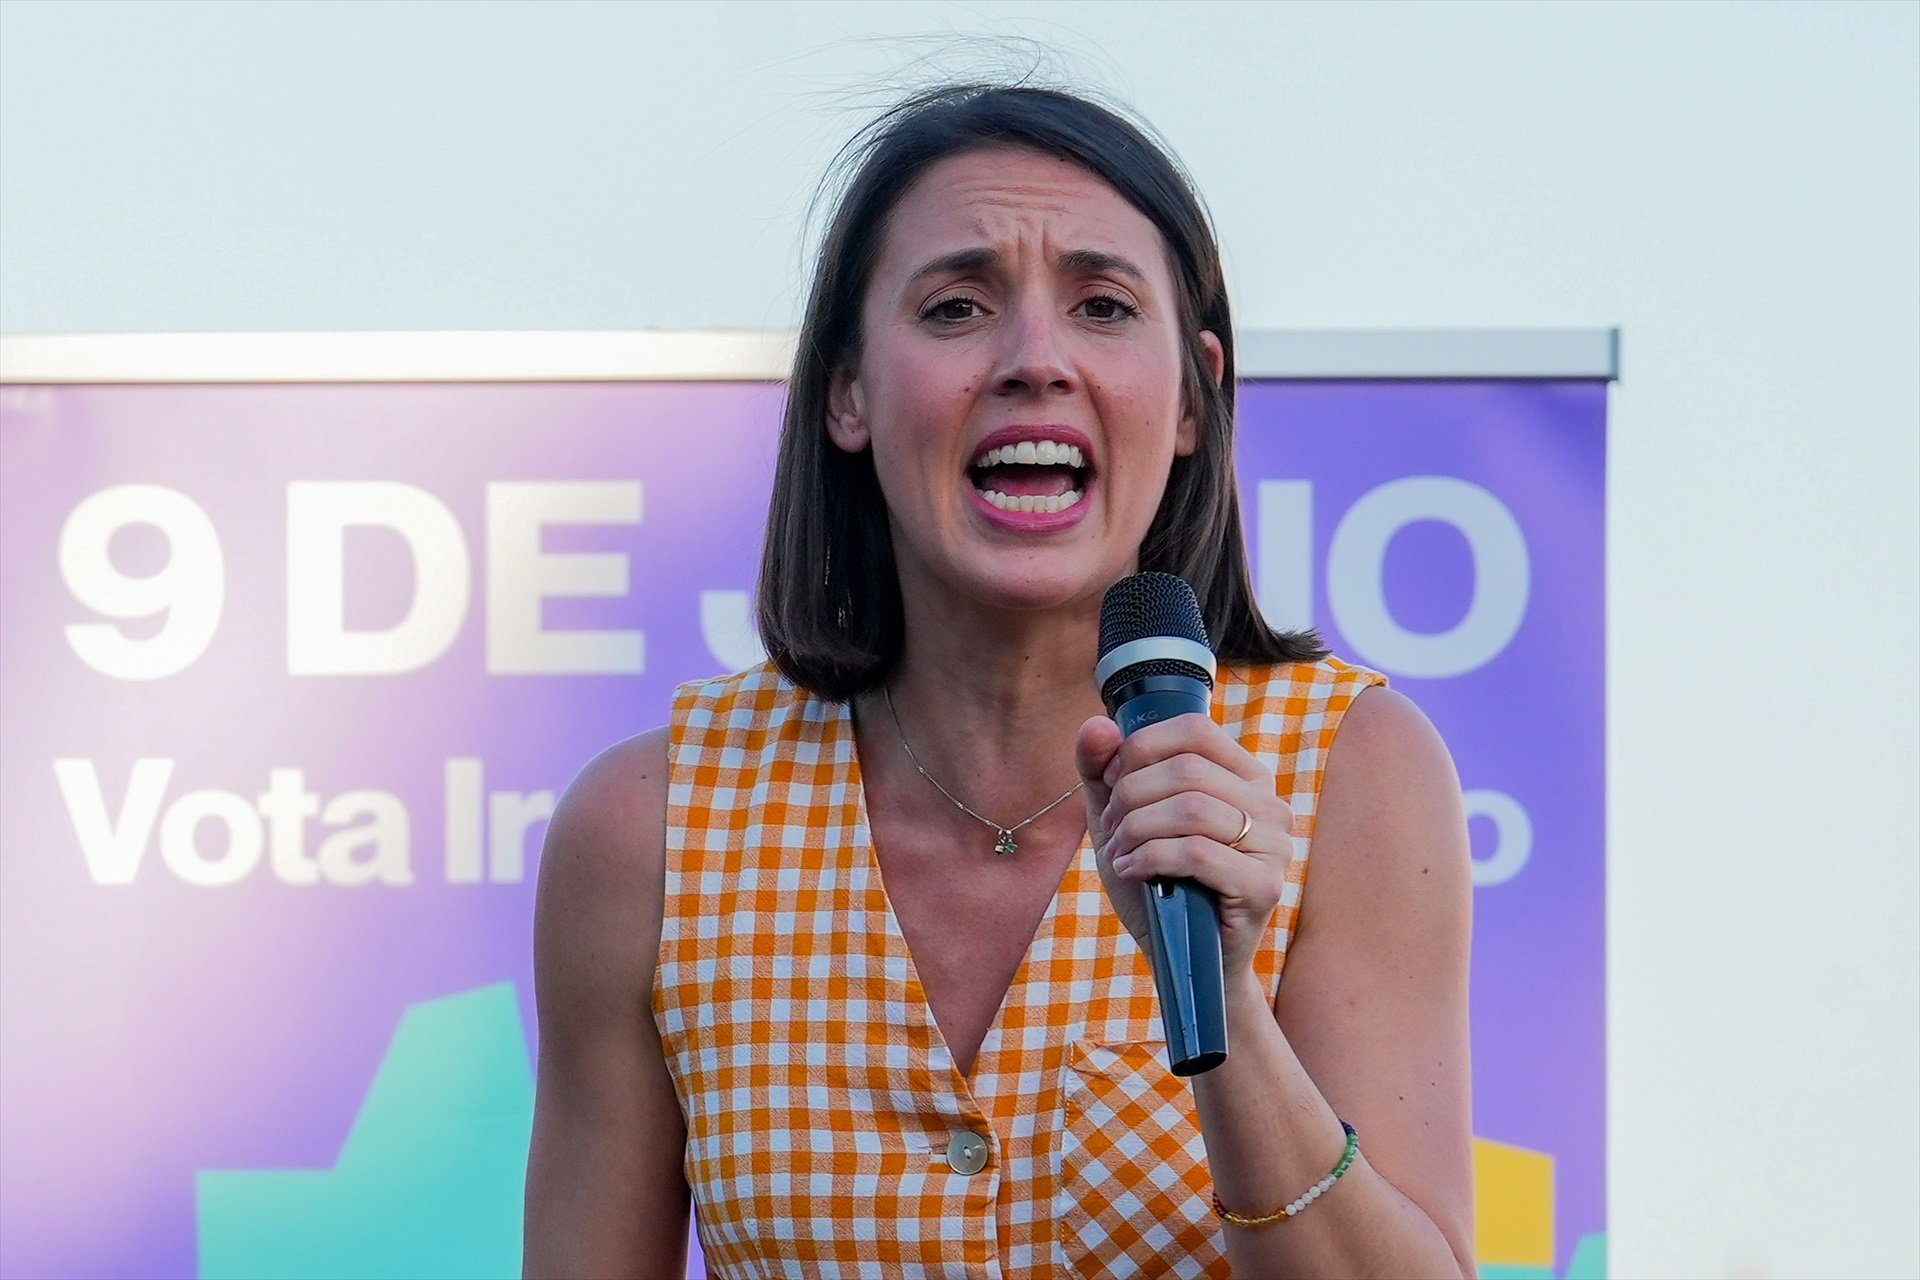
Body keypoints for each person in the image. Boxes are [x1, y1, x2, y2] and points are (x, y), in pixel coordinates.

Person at [524, 83, 1474, 1280]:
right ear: (849, 390)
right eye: (958, 305)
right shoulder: (648, 827)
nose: (1036, 360)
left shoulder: (1352, 769)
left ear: (1193, 395)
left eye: (1104, 305)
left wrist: (1224, 1003)